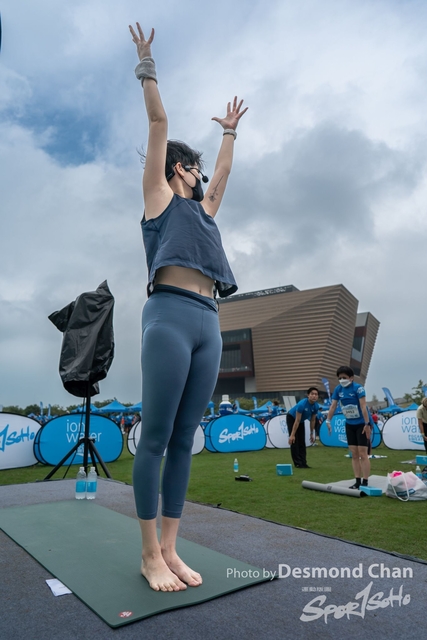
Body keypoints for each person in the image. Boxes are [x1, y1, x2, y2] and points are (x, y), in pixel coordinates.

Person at [129, 22, 247, 593]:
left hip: (209, 322)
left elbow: (222, 176)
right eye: (194, 168)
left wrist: (230, 133)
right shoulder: (158, 198)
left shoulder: (205, 213)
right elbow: (159, 125)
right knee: (155, 435)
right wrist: (146, 66)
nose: (202, 178)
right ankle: (149, 553)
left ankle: (172, 549)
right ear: (180, 169)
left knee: (184, 438)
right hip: (169, 317)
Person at [326, 366, 371, 489]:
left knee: (363, 454)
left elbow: (363, 406)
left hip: (361, 424)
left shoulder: (358, 388)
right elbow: (333, 406)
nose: (342, 380)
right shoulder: (338, 389)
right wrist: (328, 420)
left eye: (344, 377)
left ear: (351, 378)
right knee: (354, 454)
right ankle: (357, 481)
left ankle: (365, 481)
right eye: (340, 378)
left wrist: (367, 424)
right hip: (349, 424)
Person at [287, 388, 320, 468]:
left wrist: (311, 433)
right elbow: (297, 420)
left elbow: (312, 420)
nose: (314, 396)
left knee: (302, 441)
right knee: (295, 441)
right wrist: (292, 435)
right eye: (312, 394)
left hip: (301, 421)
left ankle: (303, 463)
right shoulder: (302, 404)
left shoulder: (316, 406)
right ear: (308, 395)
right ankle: (298, 463)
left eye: (316, 394)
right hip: (292, 418)